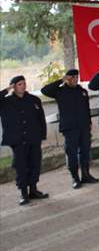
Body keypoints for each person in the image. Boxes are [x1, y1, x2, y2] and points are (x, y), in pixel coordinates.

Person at [41, 69, 99, 189]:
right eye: (72, 78)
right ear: (67, 78)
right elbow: (45, 90)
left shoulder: (81, 91)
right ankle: (75, 177)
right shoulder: (60, 91)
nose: (75, 80)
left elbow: (86, 109)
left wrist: (88, 122)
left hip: (83, 127)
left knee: (85, 152)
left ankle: (86, 175)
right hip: (70, 128)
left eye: (76, 77)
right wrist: (61, 80)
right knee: (71, 154)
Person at [0, 76, 49, 205]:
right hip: (18, 140)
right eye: (20, 84)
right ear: (13, 86)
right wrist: (7, 90)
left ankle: (33, 189)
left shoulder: (34, 100)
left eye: (24, 83)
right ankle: (23, 193)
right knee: (21, 166)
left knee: (35, 164)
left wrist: (42, 135)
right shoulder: (6, 102)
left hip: (33, 138)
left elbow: (41, 120)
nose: (23, 86)